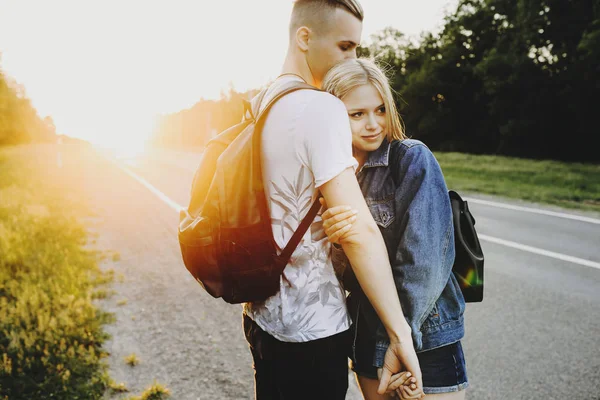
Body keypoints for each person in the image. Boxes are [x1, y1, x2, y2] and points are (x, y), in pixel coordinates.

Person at [242, 1, 424, 399]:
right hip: (312, 329)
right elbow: (358, 231)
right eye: (345, 46)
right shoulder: (319, 107)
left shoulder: (265, 100)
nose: (353, 58)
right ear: (304, 37)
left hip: (263, 317)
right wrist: (399, 333)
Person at [319, 58, 469, 399]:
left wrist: (400, 342)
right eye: (356, 114)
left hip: (426, 338)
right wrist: (337, 242)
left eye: (380, 110)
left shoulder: (412, 159)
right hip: (366, 336)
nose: (373, 124)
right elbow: (347, 278)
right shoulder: (333, 179)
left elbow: (425, 265)